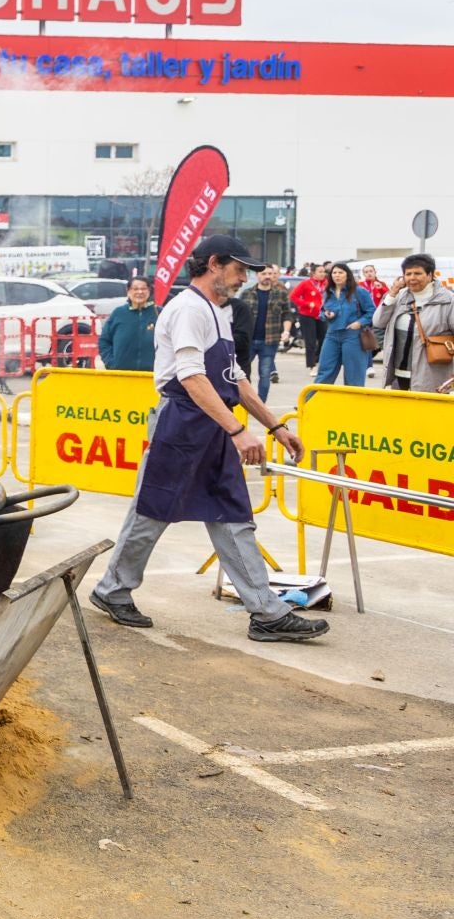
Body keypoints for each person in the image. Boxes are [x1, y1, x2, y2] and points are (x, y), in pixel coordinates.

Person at [90, 235, 328, 644]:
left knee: (232, 513)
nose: (244, 279)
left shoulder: (218, 311)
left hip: (212, 423)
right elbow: (191, 377)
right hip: (181, 423)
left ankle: (266, 612)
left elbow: (233, 377)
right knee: (152, 510)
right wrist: (237, 431)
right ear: (214, 264)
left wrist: (275, 426)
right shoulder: (187, 310)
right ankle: (113, 589)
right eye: (239, 270)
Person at [374, 253, 454, 393]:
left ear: (430, 275)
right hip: (399, 373)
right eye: (408, 273)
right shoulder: (399, 296)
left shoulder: (448, 300)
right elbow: (378, 322)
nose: (412, 278)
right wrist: (392, 294)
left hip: (432, 374)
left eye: (418, 273)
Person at [232, 266, 291, 402]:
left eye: (270, 273)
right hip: (248, 340)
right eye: (264, 273)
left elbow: (287, 314)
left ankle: (260, 403)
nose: (267, 276)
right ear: (257, 276)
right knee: (242, 372)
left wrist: (286, 331)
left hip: (270, 341)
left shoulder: (280, 294)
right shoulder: (246, 293)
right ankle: (243, 401)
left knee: (265, 374)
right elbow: (236, 315)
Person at [315, 262, 376, 387]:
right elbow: (321, 312)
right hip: (332, 334)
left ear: (347, 275)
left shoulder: (359, 291)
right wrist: (326, 315)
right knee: (324, 372)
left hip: (352, 336)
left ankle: (353, 405)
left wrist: (360, 323)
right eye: (334, 273)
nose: (337, 275)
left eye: (340, 272)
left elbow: (371, 311)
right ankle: (310, 402)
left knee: (354, 376)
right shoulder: (328, 293)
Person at [96, 276, 158, 372]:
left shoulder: (158, 313)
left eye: (143, 289)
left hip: (152, 375)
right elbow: (104, 341)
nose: (140, 292)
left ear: (149, 290)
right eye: (135, 289)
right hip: (121, 374)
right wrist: (111, 363)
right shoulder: (119, 313)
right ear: (128, 291)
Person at [288, 264, 326, 370]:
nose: (323, 274)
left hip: (322, 315)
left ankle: (318, 359)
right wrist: (306, 304)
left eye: (324, 271)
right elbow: (293, 296)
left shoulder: (326, 284)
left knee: (324, 339)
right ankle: (311, 365)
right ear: (313, 273)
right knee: (310, 341)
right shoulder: (306, 283)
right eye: (320, 271)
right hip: (307, 315)